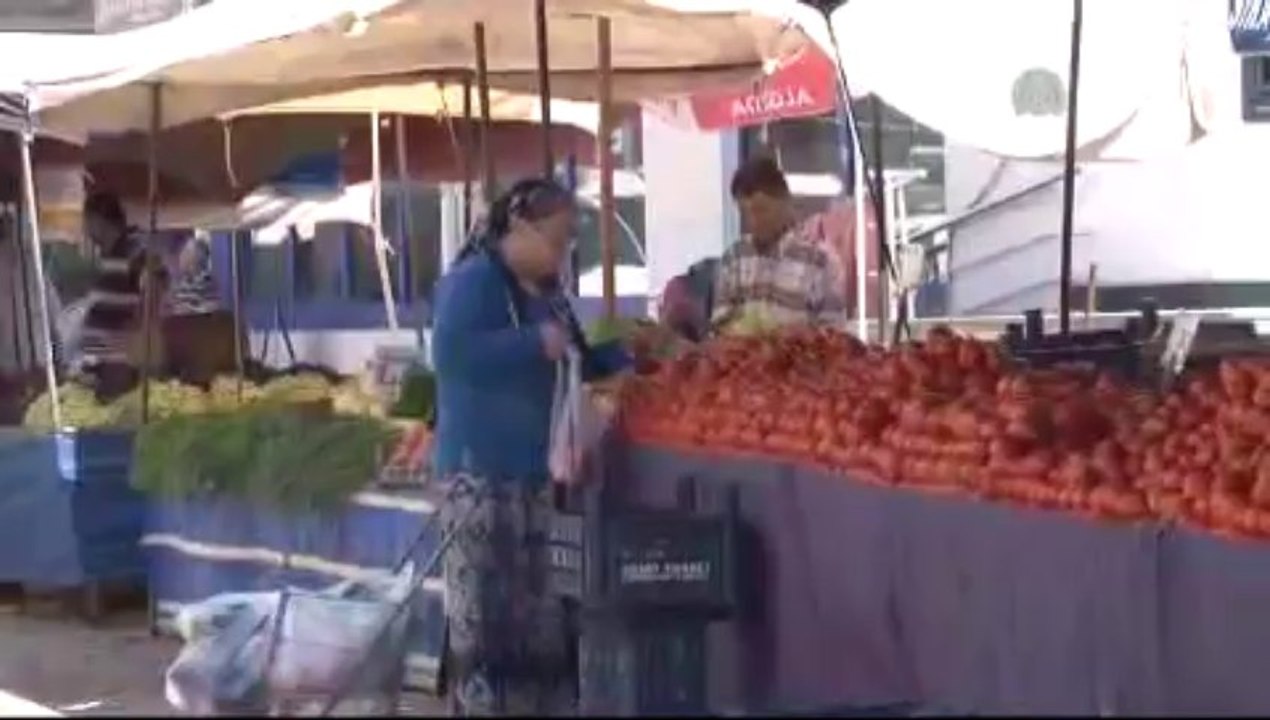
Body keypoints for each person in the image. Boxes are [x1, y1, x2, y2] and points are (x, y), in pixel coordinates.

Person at [430, 177, 635, 716]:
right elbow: (450, 355)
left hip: (538, 478)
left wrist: (630, 354)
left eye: (569, 242)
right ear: (519, 227)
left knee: (543, 615)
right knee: (489, 616)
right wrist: (529, 343)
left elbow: (580, 356)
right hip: (481, 479)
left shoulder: (550, 296)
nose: (562, 252)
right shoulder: (472, 281)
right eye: (557, 238)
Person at [711, 155, 846, 331]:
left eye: (761, 210)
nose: (752, 221)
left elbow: (832, 332)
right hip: (740, 349)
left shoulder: (821, 260)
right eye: (744, 212)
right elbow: (719, 323)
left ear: (786, 202)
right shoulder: (734, 258)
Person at [78, 191, 161, 399]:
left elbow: (157, 281)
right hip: (100, 362)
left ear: (99, 220)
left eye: (87, 222)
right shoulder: (107, 255)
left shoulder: (133, 247)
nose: (85, 229)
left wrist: (138, 331)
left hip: (119, 364)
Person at [165, 230, 221, 318]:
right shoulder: (178, 281)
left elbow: (209, 308)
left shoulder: (207, 281)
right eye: (183, 253)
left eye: (186, 253)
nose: (181, 258)